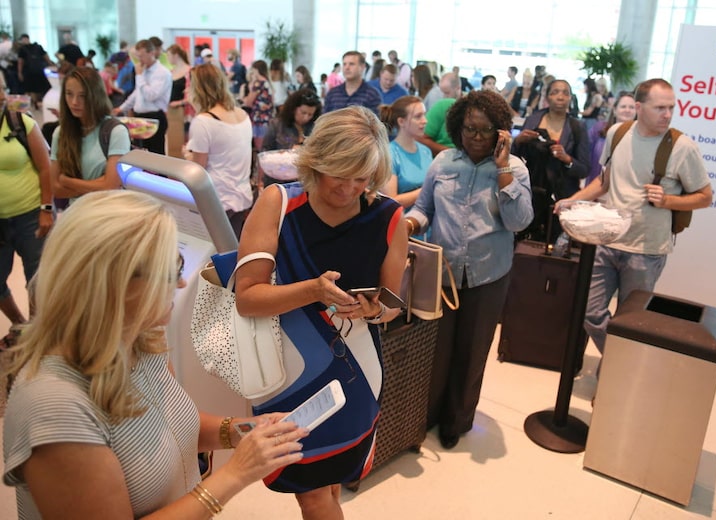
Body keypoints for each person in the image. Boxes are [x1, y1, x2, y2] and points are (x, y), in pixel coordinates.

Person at [2, 189, 307, 519]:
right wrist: (235, 474)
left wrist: (241, 430)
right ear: (114, 284)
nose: (180, 284)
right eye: (170, 270)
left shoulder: (142, 340)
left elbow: (169, 422)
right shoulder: (54, 408)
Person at [235, 105, 408, 519]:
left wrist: (373, 311)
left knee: (328, 485)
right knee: (312, 491)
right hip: (290, 373)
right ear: (317, 161)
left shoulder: (388, 217)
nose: (349, 188)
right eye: (339, 173)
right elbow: (247, 297)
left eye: (362, 176)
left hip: (357, 372)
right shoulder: (278, 204)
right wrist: (313, 290)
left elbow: (390, 308)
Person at [404, 90, 533, 449]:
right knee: (437, 349)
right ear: (458, 128)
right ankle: (427, 414)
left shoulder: (515, 169)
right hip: (442, 274)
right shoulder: (443, 163)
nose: (476, 137)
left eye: (485, 130)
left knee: (472, 351)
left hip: (488, 274)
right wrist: (410, 226)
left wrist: (504, 168)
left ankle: (456, 421)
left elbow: (519, 221)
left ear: (501, 132)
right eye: (469, 129)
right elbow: (423, 207)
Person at [555, 78, 712, 372]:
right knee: (590, 313)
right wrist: (572, 200)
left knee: (629, 322)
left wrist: (668, 200)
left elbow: (705, 197)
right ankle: (619, 364)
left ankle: (612, 380)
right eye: (660, 108)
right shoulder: (618, 132)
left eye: (671, 108)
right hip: (606, 240)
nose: (668, 114)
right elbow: (605, 182)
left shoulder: (682, 147)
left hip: (646, 249)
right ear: (639, 107)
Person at [0, 73, 53, 349]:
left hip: (30, 214)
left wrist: (46, 208)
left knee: (36, 278)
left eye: (1, 88)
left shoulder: (20, 122)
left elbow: (45, 168)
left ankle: (34, 333)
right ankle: (20, 324)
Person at [512, 79, 591, 241]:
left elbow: (584, 169)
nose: (560, 97)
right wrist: (519, 141)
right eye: (555, 92)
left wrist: (567, 159)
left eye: (565, 93)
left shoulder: (577, 127)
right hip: (532, 193)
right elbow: (515, 159)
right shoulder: (533, 120)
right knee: (525, 242)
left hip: (561, 196)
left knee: (553, 243)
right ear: (547, 97)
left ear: (571, 98)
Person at [186, 63, 253, 239]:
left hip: (217, 201)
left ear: (197, 89)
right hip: (242, 197)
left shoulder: (203, 121)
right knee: (232, 253)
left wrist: (187, 156)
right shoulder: (242, 114)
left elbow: (197, 171)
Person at [50, 67, 131, 203]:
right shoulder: (60, 133)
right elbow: (56, 188)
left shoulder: (115, 131)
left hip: (108, 213)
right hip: (77, 215)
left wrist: (67, 181)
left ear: (95, 96)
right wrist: (98, 183)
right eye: (69, 94)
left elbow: (111, 186)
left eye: (82, 96)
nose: (74, 102)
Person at [112, 39, 172, 155]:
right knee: (141, 155)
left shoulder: (162, 73)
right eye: (138, 57)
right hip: (140, 116)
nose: (140, 60)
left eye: (142, 56)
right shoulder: (143, 71)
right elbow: (137, 93)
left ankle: (158, 174)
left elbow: (150, 96)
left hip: (155, 117)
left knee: (156, 155)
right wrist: (121, 108)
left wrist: (139, 76)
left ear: (152, 53)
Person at [259, 88, 322, 188]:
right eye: (303, 112)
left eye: (310, 114)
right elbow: (265, 152)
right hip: (277, 182)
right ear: (294, 108)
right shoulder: (277, 125)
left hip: (304, 182)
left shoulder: (315, 127)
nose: (306, 117)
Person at [380, 95, 432, 209]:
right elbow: (390, 201)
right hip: (402, 222)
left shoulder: (426, 151)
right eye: (418, 116)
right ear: (401, 121)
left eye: (424, 114)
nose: (425, 121)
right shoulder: (389, 154)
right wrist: (427, 189)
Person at [586, 91, 636, 185]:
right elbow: (585, 152)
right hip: (595, 185)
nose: (627, 110)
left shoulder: (639, 137)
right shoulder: (599, 128)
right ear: (614, 110)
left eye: (631, 107)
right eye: (623, 106)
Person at [416, 73, 462, 156]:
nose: (444, 97)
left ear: (458, 88)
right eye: (442, 93)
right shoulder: (442, 105)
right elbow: (420, 137)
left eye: (447, 93)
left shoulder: (444, 105)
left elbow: (420, 137)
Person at [165, 44, 192, 159]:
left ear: (176, 55)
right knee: (172, 143)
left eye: (169, 55)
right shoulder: (171, 72)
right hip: (171, 113)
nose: (167, 58)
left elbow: (192, 93)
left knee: (186, 143)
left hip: (185, 113)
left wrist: (180, 102)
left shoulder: (189, 71)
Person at [243, 60, 273, 152]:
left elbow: (248, 102)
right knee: (265, 147)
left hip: (258, 118)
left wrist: (250, 88)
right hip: (267, 118)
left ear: (256, 70)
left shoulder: (258, 83)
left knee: (259, 148)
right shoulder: (268, 82)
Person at [16, 34, 54, 110]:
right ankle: (39, 102)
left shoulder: (22, 49)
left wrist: (19, 72)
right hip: (40, 71)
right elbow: (46, 56)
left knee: (31, 89)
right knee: (40, 88)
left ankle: (35, 103)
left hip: (29, 72)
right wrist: (51, 65)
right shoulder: (38, 47)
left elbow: (20, 62)